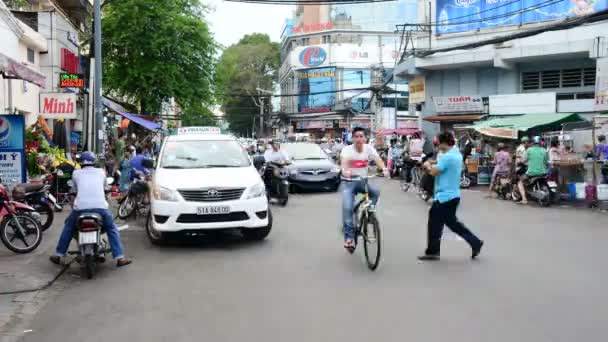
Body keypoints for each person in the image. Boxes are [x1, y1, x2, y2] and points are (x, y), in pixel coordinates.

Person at [50, 152, 132, 267]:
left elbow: (73, 189)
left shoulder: (76, 173)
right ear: (95, 162)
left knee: (68, 226)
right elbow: (106, 188)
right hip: (100, 208)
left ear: (81, 163)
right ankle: (119, 257)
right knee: (111, 228)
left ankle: (59, 255)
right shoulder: (101, 172)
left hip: (80, 209)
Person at [419, 132, 483, 261]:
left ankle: (433, 251)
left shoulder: (448, 157)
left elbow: (433, 172)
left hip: (444, 197)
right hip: (452, 195)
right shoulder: (456, 154)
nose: (437, 146)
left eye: (438, 143)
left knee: (435, 224)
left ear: (443, 143)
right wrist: (434, 161)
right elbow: (441, 164)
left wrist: (427, 166)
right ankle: (475, 242)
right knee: (452, 224)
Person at [340, 127, 388, 250]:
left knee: (375, 192)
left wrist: (384, 169)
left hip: (363, 181)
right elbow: (344, 163)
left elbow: (378, 160)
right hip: (349, 183)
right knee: (347, 208)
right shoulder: (347, 150)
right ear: (352, 138)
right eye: (356, 136)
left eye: (361, 136)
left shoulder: (369, 148)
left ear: (365, 138)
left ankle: (369, 212)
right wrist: (345, 171)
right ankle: (349, 238)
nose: (359, 139)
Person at [517, 136, 548, 205]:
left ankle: (524, 199)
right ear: (540, 142)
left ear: (533, 142)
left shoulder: (529, 150)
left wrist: (520, 162)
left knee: (520, 182)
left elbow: (524, 160)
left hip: (531, 173)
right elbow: (546, 161)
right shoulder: (544, 150)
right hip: (543, 172)